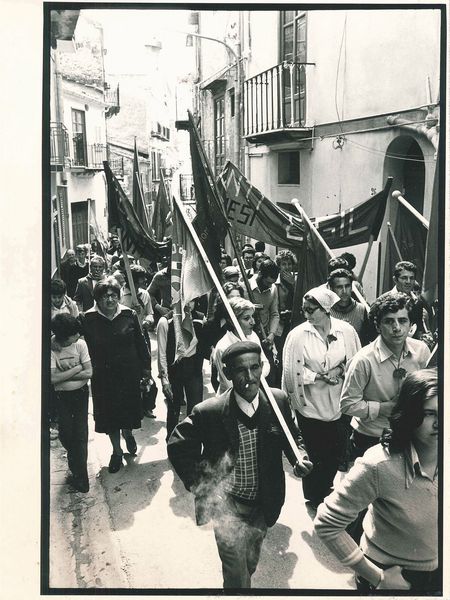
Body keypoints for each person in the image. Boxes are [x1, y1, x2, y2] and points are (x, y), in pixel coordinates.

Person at [167, 341, 313, 589]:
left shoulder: (277, 401)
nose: (249, 377)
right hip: (227, 506)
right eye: (240, 370)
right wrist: (204, 487)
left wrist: (299, 456)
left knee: (249, 562)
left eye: (254, 368)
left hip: (263, 502)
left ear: (262, 368)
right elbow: (178, 446)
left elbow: (292, 435)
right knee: (236, 573)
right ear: (227, 373)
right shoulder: (209, 411)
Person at [315, 369, 438, 592]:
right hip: (395, 577)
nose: (441, 422)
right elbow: (327, 524)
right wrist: (377, 576)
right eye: (430, 414)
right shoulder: (379, 464)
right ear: (410, 414)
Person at [282, 286, 361, 508]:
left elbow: (356, 362)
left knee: (335, 450)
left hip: (338, 402)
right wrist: (317, 376)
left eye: (311, 310)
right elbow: (290, 371)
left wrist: (338, 371)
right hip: (311, 403)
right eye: (304, 310)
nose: (306, 315)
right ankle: (314, 495)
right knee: (314, 449)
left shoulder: (346, 331)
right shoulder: (298, 335)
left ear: (326, 309)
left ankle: (326, 485)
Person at [340, 292, 431, 459]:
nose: (397, 328)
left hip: (411, 433)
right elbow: (347, 405)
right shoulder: (363, 360)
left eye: (402, 320)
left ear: (410, 323)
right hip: (371, 437)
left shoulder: (421, 351)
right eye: (389, 321)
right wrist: (382, 408)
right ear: (378, 326)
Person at [80, 277, 151, 473]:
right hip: (103, 376)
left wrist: (146, 370)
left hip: (129, 373)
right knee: (110, 414)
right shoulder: (88, 319)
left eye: (113, 295)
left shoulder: (129, 314)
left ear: (119, 297)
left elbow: (141, 343)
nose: (109, 300)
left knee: (127, 410)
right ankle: (117, 451)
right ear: (97, 299)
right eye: (105, 296)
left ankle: (128, 433)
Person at [50, 314, 92, 493]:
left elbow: (89, 372)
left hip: (81, 394)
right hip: (62, 398)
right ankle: (75, 463)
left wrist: (64, 377)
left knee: (81, 435)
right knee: (66, 434)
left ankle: (81, 478)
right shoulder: (52, 348)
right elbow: (53, 379)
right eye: (73, 334)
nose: (77, 336)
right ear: (62, 337)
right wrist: (77, 368)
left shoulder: (81, 344)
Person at [156, 301, 205, 441]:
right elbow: (162, 354)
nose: (189, 304)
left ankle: (192, 442)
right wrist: (164, 380)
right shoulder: (165, 322)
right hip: (175, 370)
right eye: (184, 300)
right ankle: (172, 441)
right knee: (173, 409)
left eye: (193, 300)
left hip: (194, 368)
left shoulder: (200, 318)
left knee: (196, 409)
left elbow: (205, 343)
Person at [213, 297, 270, 394]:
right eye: (246, 318)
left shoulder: (253, 336)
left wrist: (256, 379)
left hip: (255, 392)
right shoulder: (222, 347)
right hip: (230, 399)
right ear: (232, 321)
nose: (253, 322)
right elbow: (230, 384)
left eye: (252, 316)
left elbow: (265, 363)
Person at [120, 265, 156, 418]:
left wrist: (147, 321)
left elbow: (150, 315)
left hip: (142, 337)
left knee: (147, 372)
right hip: (125, 340)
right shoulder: (119, 294)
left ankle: (148, 406)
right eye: (141, 278)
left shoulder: (145, 294)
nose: (144, 280)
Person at [328, 269, 372, 345]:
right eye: (339, 287)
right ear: (332, 289)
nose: (344, 291)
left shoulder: (361, 309)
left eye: (347, 286)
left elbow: (366, 340)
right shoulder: (326, 310)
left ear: (352, 287)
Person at [390, 260, 431, 341]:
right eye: (404, 278)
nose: (408, 282)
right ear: (395, 280)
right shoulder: (384, 301)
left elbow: (420, 330)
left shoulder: (418, 302)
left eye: (411, 278)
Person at [274, 249, 297, 359]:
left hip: (294, 321)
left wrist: (293, 285)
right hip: (279, 322)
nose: (287, 267)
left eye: (289, 264)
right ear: (279, 266)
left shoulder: (297, 280)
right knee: (281, 351)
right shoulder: (275, 282)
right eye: (284, 264)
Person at [147, 259, 172, 324]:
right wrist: (159, 308)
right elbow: (149, 293)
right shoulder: (160, 276)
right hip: (167, 312)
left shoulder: (185, 273)